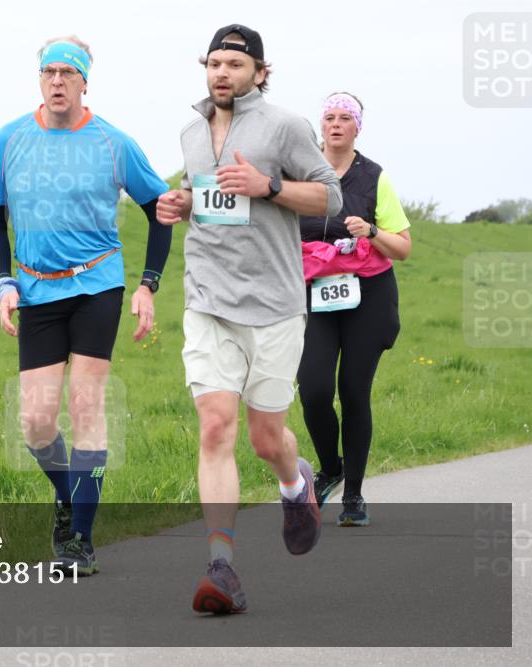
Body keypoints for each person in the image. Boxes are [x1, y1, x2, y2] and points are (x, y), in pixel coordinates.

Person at [157, 24, 342, 614]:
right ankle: (221, 568)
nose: (222, 73)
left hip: (274, 306)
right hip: (208, 298)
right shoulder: (190, 131)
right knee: (215, 427)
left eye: (235, 64)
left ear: (260, 72)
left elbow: (329, 197)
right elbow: (203, 196)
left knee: (266, 440)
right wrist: (181, 203)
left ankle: (296, 483)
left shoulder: (284, 126)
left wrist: (267, 185)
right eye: (213, 63)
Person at [0, 36, 171, 576]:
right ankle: (68, 499)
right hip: (35, 289)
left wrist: (147, 285)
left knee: (87, 409)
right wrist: (3, 282)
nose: (57, 81)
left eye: (68, 72)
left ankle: (80, 540)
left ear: (85, 81)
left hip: (96, 286)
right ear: (39, 79)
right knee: (36, 422)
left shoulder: (114, 144)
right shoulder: (9, 139)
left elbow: (160, 211)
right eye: (49, 72)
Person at [297, 92, 412, 528]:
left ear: (358, 127)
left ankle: (355, 498)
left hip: (369, 297)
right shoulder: (302, 173)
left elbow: (403, 247)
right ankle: (331, 467)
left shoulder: (375, 177)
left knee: (353, 392)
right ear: (320, 125)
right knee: (313, 389)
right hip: (316, 296)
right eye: (329, 117)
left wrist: (373, 231)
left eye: (346, 118)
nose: (336, 124)